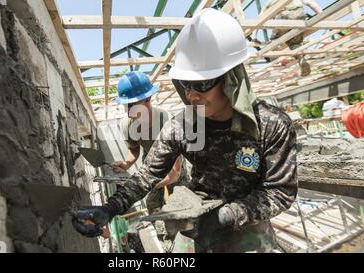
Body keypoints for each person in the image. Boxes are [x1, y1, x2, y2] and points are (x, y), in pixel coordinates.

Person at [73, 9, 297, 253]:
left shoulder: (271, 125)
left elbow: (279, 192)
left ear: (231, 78)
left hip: (248, 223)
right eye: (185, 85)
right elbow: (147, 176)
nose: (192, 95)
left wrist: (228, 215)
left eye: (201, 84)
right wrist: (109, 209)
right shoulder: (182, 128)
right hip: (196, 217)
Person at [111, 71, 184, 212]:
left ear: (148, 99)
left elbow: (175, 171)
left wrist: (163, 181)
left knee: (182, 206)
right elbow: (134, 149)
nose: (129, 111)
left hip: (174, 159)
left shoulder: (168, 122)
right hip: (151, 162)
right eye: (126, 105)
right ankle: (164, 234)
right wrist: (126, 164)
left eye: (133, 105)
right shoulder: (127, 125)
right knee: (153, 206)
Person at [251, 0, 323, 76]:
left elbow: (260, 18)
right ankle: (300, 58)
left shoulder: (270, 2)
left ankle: (274, 63)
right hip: (299, 17)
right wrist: (322, 15)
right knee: (295, 41)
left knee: (275, 41)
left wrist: (254, 36)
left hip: (283, 18)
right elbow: (309, 3)